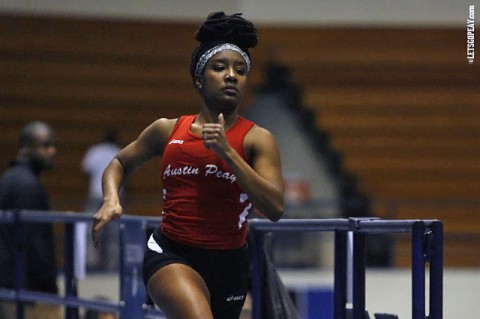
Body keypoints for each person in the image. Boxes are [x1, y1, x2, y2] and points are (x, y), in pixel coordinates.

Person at [92, 12, 284, 319]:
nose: (231, 75)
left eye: (240, 70)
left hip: (231, 264)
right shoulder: (167, 130)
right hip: (172, 253)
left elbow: (275, 208)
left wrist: (228, 153)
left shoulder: (258, 140)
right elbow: (119, 162)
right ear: (199, 78)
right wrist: (111, 199)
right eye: (219, 67)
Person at [0, 121, 61, 319]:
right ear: (25, 148)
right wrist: (50, 289)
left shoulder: (11, 178)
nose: (52, 151)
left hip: (14, 286)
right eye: (45, 145)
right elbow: (35, 243)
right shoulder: (27, 186)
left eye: (53, 145)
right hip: (29, 293)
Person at [75, 128, 122, 278]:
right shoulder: (118, 151)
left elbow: (86, 172)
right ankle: (113, 265)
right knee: (114, 232)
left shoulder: (94, 151)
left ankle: (91, 262)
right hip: (115, 197)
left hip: (96, 194)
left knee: (91, 228)